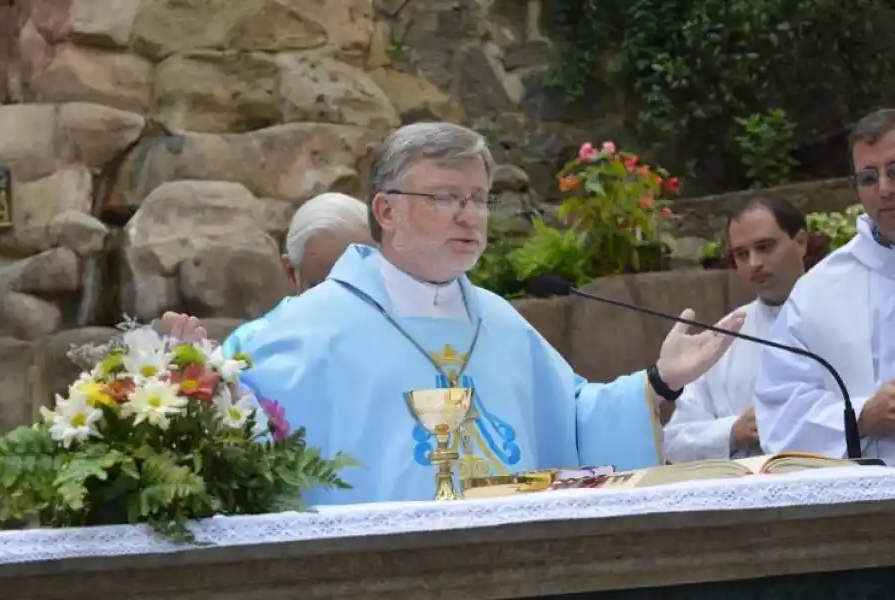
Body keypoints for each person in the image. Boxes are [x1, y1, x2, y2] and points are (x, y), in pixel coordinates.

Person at [168, 122, 744, 505]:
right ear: (386, 211)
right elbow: (241, 449)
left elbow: (573, 422)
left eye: (478, 199)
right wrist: (196, 384)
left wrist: (660, 381)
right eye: (445, 197)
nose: (470, 216)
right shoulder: (300, 332)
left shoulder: (499, 320)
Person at [755, 108, 895, 463]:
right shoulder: (817, 291)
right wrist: (861, 417)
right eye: (867, 178)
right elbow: (780, 408)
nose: (884, 189)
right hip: (865, 507)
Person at [663, 193, 807, 463]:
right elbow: (674, 440)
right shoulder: (725, 336)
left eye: (765, 247)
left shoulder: (849, 309)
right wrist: (731, 431)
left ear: (800, 242)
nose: (754, 263)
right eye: (742, 254)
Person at [219, 193, 372, 356]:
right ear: (291, 272)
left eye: (356, 285)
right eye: (321, 288)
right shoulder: (247, 346)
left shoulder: (396, 338)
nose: (340, 302)